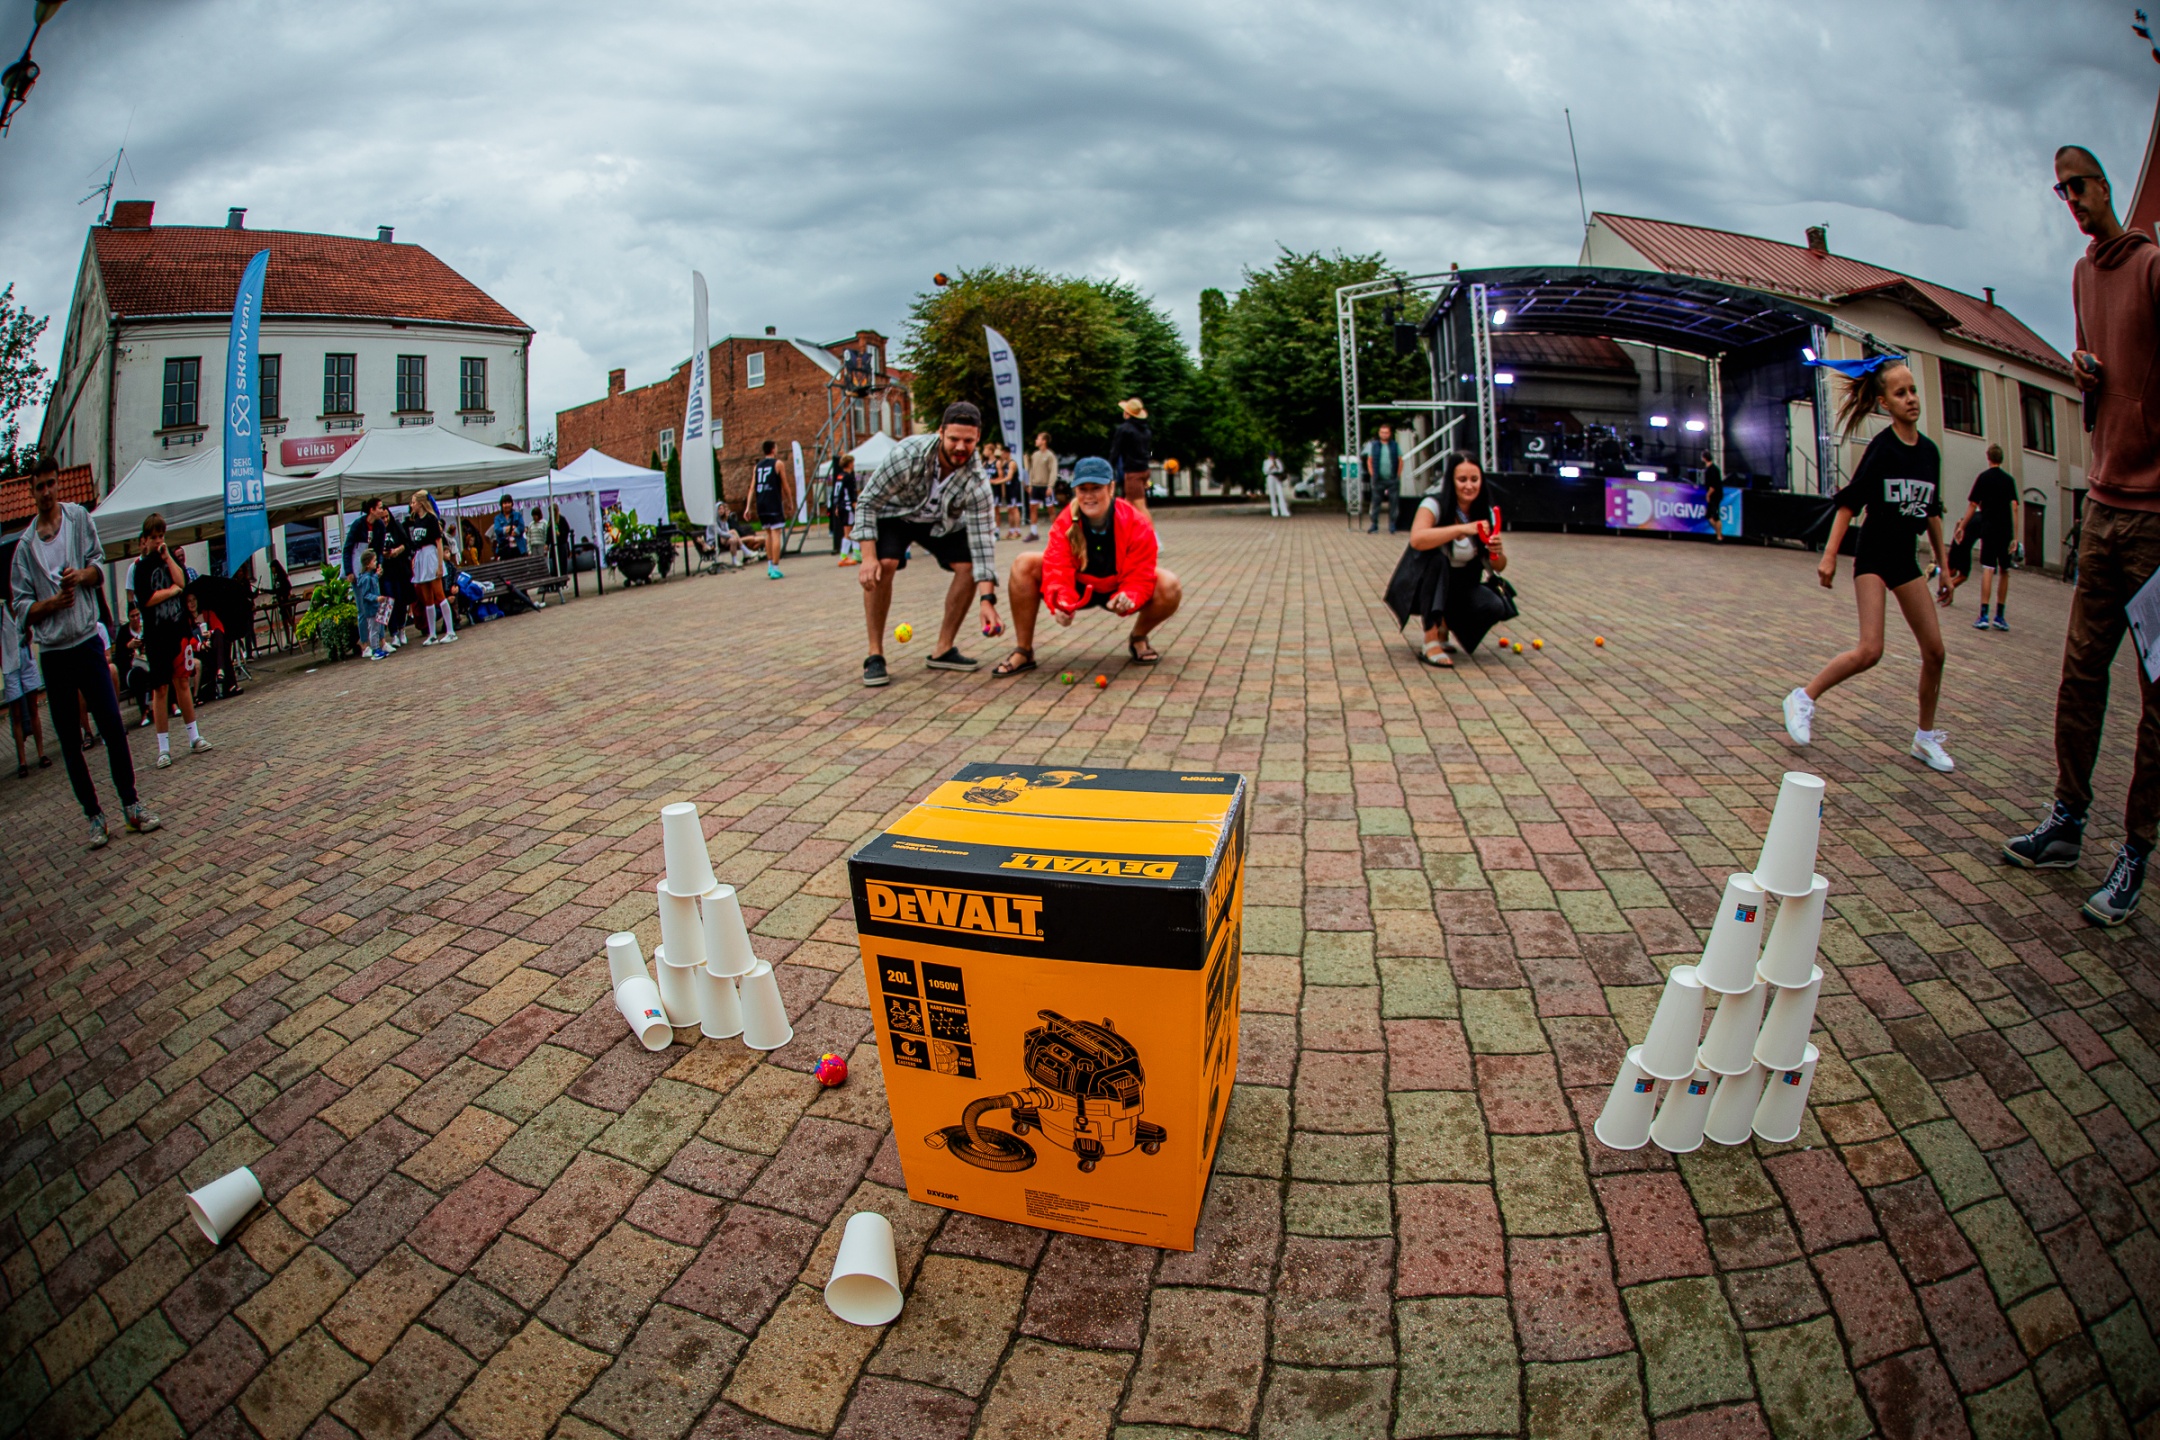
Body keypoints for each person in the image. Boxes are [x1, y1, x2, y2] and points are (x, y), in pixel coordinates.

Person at [2004, 144, 2160, 923]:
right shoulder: (2081, 274)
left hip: (2158, 517)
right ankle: (2067, 821)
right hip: (2102, 505)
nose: (2070, 200)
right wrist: (2087, 379)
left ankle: (2136, 850)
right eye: (2059, 191)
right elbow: (2103, 371)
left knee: (2158, 696)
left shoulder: (2152, 266)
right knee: (2079, 675)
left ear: (2104, 187)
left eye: (2078, 186)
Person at [1779, 355, 1953, 772]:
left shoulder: (1930, 453)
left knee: (1935, 652)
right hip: (1874, 554)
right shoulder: (1882, 449)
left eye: (1913, 391)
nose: (1911, 399)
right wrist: (1829, 556)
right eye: (1901, 393)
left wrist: (1945, 567)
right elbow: (1849, 504)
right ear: (1884, 403)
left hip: (1906, 560)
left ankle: (1925, 738)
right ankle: (1802, 698)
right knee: (1871, 649)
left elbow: (1931, 512)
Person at [9, 458, 158, 846]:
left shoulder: (77, 518)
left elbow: (97, 565)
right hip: (55, 652)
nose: (46, 492)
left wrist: (80, 576)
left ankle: (131, 806)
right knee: (70, 741)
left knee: (112, 725)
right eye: (39, 486)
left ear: (58, 484)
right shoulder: (25, 548)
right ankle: (94, 816)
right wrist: (50, 604)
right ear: (31, 491)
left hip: (87, 641)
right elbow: (21, 608)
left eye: (50, 484)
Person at [853, 400, 1002, 687]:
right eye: (954, 439)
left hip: (939, 522)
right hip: (896, 515)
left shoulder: (977, 480)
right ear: (940, 432)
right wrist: (868, 557)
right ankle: (875, 655)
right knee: (885, 564)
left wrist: (988, 601)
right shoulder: (908, 454)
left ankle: (943, 649)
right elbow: (867, 502)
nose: (961, 447)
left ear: (978, 439)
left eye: (968, 441)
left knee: (968, 565)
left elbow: (983, 542)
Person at [992, 456, 1182, 675]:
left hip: (1117, 590)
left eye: (1096, 488)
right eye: (1083, 489)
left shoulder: (1136, 522)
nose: (1089, 496)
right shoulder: (1065, 522)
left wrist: (1129, 597)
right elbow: (1057, 570)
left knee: (1170, 584)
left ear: (1111, 488)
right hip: (1078, 589)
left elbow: (1140, 574)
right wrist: (1061, 604)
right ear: (1076, 491)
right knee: (1024, 563)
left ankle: (1138, 637)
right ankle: (1024, 650)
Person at [1383, 452, 1514, 667]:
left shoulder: (1486, 512)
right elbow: (1417, 539)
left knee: (1494, 605)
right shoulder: (1433, 504)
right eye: (1462, 480)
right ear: (1451, 481)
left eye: (1474, 479)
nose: (1469, 486)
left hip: (1459, 587)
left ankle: (1446, 625)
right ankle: (1430, 640)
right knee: (1437, 561)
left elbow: (1498, 566)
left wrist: (1497, 552)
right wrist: (1461, 529)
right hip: (1422, 587)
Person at [129, 514, 211, 770]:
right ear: (145, 540)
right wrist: (171, 592)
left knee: (183, 682)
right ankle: (163, 748)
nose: (158, 541)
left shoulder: (170, 559)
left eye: (161, 536)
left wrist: (168, 559)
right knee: (161, 689)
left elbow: (182, 582)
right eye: (154, 537)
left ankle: (194, 736)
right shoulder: (141, 568)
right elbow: (147, 599)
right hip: (156, 636)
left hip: (178, 631)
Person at [1953, 444, 2021, 632]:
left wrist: (1962, 526)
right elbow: (2014, 507)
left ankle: (1983, 615)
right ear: (2002, 458)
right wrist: (2015, 537)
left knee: (1988, 568)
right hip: (2005, 530)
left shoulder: (1983, 478)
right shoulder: (2009, 480)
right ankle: (2000, 615)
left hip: (1989, 528)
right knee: (2005, 570)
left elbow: (1972, 505)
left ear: (1988, 457)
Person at [2, 563, 47, 777]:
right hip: (10, 665)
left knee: (33, 708)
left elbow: (31, 630)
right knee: (17, 713)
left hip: (26, 660)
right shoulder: (2, 613)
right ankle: (22, 761)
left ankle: (41, 753)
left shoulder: (22, 606)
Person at [404, 490, 457, 645]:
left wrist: (440, 565)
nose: (412, 505)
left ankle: (450, 631)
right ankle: (432, 634)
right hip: (420, 556)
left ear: (421, 503)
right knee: (427, 598)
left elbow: (439, 543)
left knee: (439, 594)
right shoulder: (416, 520)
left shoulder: (431, 519)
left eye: (414, 502)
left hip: (431, 555)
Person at [750, 440, 793, 579]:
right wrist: (790, 501)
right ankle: (775, 567)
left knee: (768, 533)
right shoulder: (778, 464)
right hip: (773, 502)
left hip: (761, 503)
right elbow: (785, 485)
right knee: (776, 534)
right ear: (773, 450)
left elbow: (752, 488)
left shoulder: (757, 466)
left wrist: (748, 507)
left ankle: (769, 565)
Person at [1110, 399, 1153, 515]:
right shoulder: (1146, 431)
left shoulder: (1124, 429)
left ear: (1127, 413)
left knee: (1140, 506)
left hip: (1133, 472)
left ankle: (1150, 527)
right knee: (1127, 504)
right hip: (1144, 470)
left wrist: (1109, 467)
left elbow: (1115, 451)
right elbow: (1149, 452)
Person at [1363, 424, 1404, 534]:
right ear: (1379, 433)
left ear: (1390, 434)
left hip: (1392, 479)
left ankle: (1392, 525)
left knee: (1394, 502)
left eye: (1386, 432)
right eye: (1382, 432)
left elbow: (1400, 460)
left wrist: (1398, 475)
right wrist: (1372, 474)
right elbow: (1369, 460)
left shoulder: (1394, 445)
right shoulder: (1374, 445)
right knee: (1376, 503)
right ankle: (1374, 524)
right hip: (1378, 479)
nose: (1384, 434)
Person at [355, 548, 387, 659]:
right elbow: (366, 594)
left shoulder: (369, 577)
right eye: (374, 561)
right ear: (368, 564)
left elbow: (372, 582)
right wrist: (376, 598)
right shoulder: (366, 579)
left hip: (374, 607)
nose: (376, 562)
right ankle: (375, 649)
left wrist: (377, 575)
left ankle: (376, 648)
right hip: (371, 608)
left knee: (376, 628)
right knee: (374, 629)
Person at [829, 454, 860, 564]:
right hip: (848, 507)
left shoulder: (839, 476)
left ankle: (853, 554)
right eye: (852, 463)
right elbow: (851, 494)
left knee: (850, 530)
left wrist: (837, 506)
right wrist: (855, 506)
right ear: (849, 464)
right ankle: (846, 556)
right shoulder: (849, 477)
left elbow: (837, 493)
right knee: (850, 532)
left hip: (841, 506)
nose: (853, 465)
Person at [1026, 432, 1057, 540]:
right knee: (1032, 508)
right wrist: (1030, 484)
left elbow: (1053, 471)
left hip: (1045, 486)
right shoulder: (1035, 455)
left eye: (1038, 439)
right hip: (1035, 486)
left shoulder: (1050, 455)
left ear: (1044, 441)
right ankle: (1033, 533)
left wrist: (1050, 486)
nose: (1036, 441)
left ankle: (1056, 532)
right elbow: (1032, 470)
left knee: (1051, 510)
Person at [491, 495, 529, 559]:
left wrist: (516, 531)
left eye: (509, 503)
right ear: (501, 505)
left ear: (512, 504)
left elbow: (521, 527)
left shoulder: (518, 515)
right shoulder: (497, 518)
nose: (507, 505)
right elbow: (497, 530)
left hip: (519, 548)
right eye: (505, 503)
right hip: (504, 549)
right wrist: (509, 528)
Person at [1701, 452, 1725, 544]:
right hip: (1713, 495)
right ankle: (1719, 534)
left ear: (1704, 458)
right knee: (1709, 515)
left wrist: (1708, 494)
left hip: (1715, 495)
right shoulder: (1709, 469)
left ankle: (1719, 537)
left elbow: (1713, 485)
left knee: (1715, 516)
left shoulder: (1713, 470)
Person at [1264, 451, 1290, 519]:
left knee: (1280, 494)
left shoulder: (1278, 461)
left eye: (1273, 456)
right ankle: (1274, 511)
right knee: (1272, 494)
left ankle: (1284, 511)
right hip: (1270, 476)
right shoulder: (1266, 462)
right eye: (1270, 456)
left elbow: (1281, 470)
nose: (1272, 457)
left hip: (1277, 477)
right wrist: (1271, 467)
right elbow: (1265, 471)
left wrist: (1276, 466)